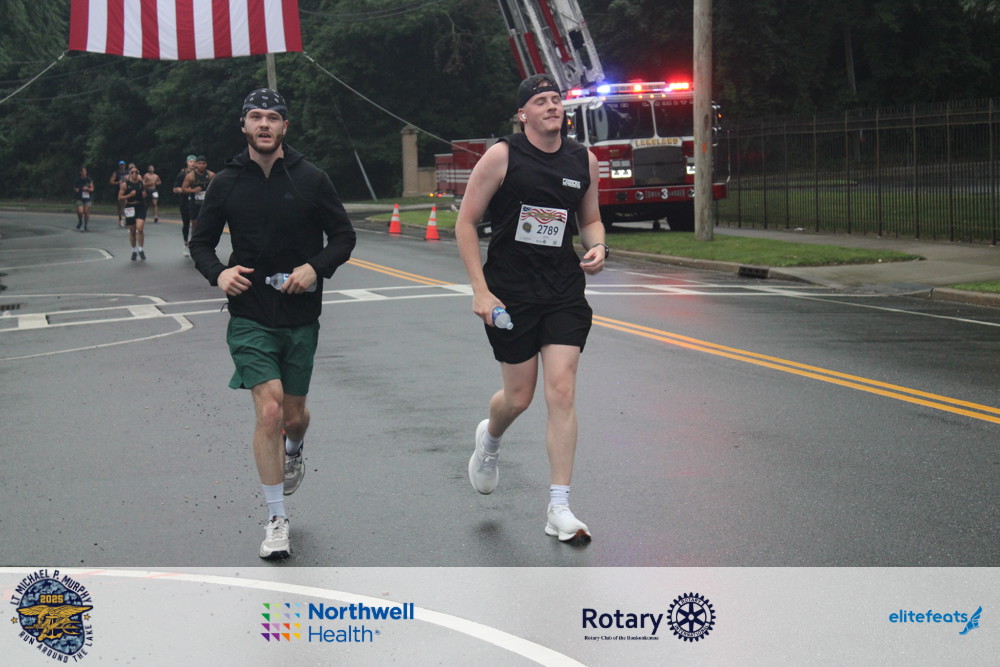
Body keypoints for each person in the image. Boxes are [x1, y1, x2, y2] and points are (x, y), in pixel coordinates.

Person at [190, 88, 356, 560]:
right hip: (249, 314)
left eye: (273, 117)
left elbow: (343, 237)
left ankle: (294, 448)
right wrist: (219, 273)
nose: (264, 124)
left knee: (293, 415)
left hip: (300, 315)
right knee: (269, 410)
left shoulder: (312, 179)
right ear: (243, 125)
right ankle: (276, 518)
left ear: (285, 126)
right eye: (256, 116)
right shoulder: (226, 183)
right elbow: (200, 243)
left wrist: (314, 268)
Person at [455, 73, 609, 545]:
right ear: (522, 114)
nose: (551, 106)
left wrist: (598, 246)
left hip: (563, 290)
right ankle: (490, 439)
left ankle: (559, 507)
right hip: (511, 293)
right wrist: (481, 291)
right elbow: (465, 223)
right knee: (518, 397)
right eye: (540, 101)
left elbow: (590, 218)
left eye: (556, 99)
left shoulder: (583, 159)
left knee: (561, 390)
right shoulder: (502, 156)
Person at [118, 164, 149, 260]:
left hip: (140, 206)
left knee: (140, 228)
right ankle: (134, 250)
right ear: (129, 174)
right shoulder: (125, 185)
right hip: (130, 207)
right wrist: (129, 195)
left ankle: (141, 249)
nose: (134, 174)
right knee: (132, 230)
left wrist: (144, 195)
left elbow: (145, 192)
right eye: (132, 172)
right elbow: (120, 197)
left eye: (136, 172)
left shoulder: (141, 183)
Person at [182, 155, 215, 241]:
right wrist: (193, 190)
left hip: (207, 202)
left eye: (203, 163)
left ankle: (206, 240)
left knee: (207, 222)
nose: (201, 165)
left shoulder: (211, 175)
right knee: (195, 223)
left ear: (206, 164)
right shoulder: (190, 176)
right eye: (199, 163)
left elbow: (218, 188)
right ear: (196, 164)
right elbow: (183, 189)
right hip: (194, 202)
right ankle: (194, 240)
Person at [173, 155, 196, 256]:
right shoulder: (182, 174)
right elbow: (175, 189)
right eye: (191, 161)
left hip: (196, 203)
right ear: (187, 163)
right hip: (185, 202)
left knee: (196, 224)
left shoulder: (199, 174)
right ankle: (186, 243)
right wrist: (185, 190)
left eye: (194, 161)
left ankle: (194, 244)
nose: (193, 163)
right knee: (186, 224)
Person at [73, 167, 94, 231]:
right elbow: (75, 187)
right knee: (80, 211)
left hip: (87, 198)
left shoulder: (89, 179)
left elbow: (92, 189)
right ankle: (80, 221)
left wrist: (87, 189)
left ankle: (85, 225)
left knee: (86, 212)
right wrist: (76, 190)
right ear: (80, 172)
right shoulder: (77, 180)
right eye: (83, 171)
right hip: (79, 197)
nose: (84, 172)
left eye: (85, 171)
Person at [109, 160, 128, 227]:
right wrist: (117, 182)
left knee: (126, 205)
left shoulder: (127, 172)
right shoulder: (116, 173)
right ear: (119, 166)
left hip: (126, 191)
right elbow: (111, 181)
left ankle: (127, 220)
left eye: (123, 165)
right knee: (120, 206)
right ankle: (120, 219)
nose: (122, 166)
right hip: (118, 191)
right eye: (121, 165)